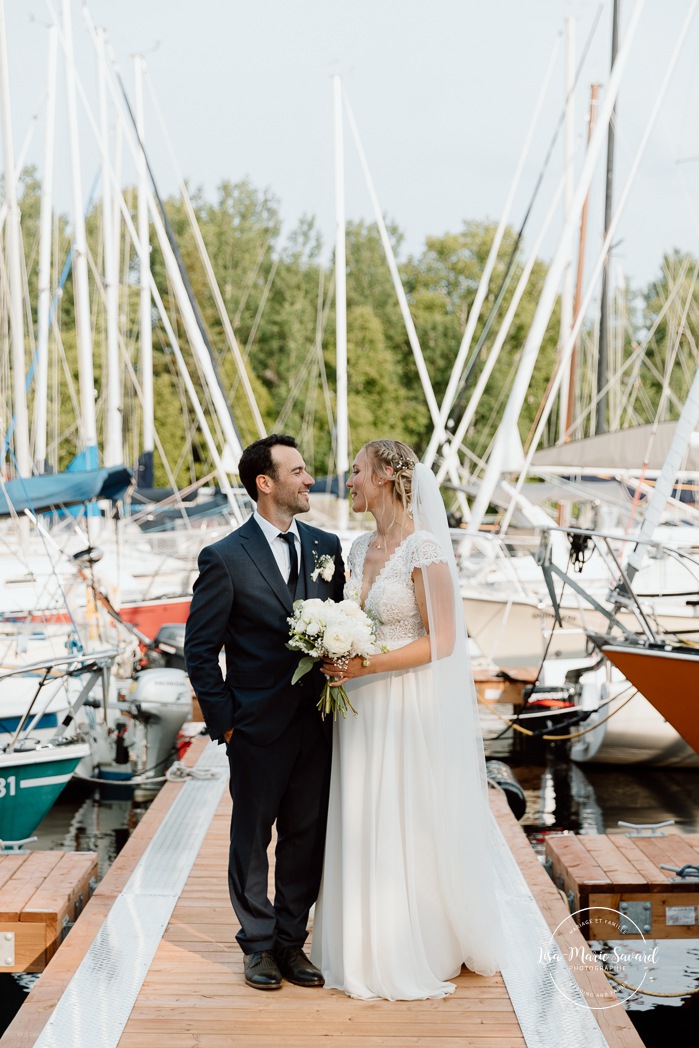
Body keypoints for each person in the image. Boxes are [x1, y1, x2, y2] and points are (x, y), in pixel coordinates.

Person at [311, 439, 503, 1000]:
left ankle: (415, 941)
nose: (349, 481)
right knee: (359, 812)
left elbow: (442, 642)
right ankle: (355, 941)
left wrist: (363, 662)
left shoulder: (424, 550)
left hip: (402, 701)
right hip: (358, 708)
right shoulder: (356, 547)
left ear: (388, 477)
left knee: (403, 811)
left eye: (357, 471)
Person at [184, 434, 345, 992]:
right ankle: (256, 945)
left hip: (319, 725)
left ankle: (289, 943)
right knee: (252, 839)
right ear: (266, 483)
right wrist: (226, 720)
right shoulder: (225, 557)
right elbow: (200, 653)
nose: (309, 480)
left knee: (307, 837)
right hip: (254, 726)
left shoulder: (327, 545)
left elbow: (343, 630)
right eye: (298, 471)